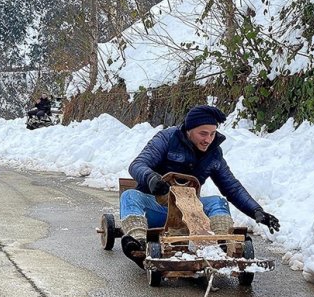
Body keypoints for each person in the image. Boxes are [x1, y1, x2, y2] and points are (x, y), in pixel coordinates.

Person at [119, 105, 280, 261]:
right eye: (203, 134)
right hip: (156, 208)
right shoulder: (166, 138)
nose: (208, 140)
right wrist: (151, 178)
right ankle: (138, 241)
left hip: (190, 213)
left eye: (212, 134)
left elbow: (232, 187)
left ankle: (221, 244)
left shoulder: (214, 154)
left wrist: (256, 211)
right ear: (189, 130)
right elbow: (137, 165)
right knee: (129, 196)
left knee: (218, 202)